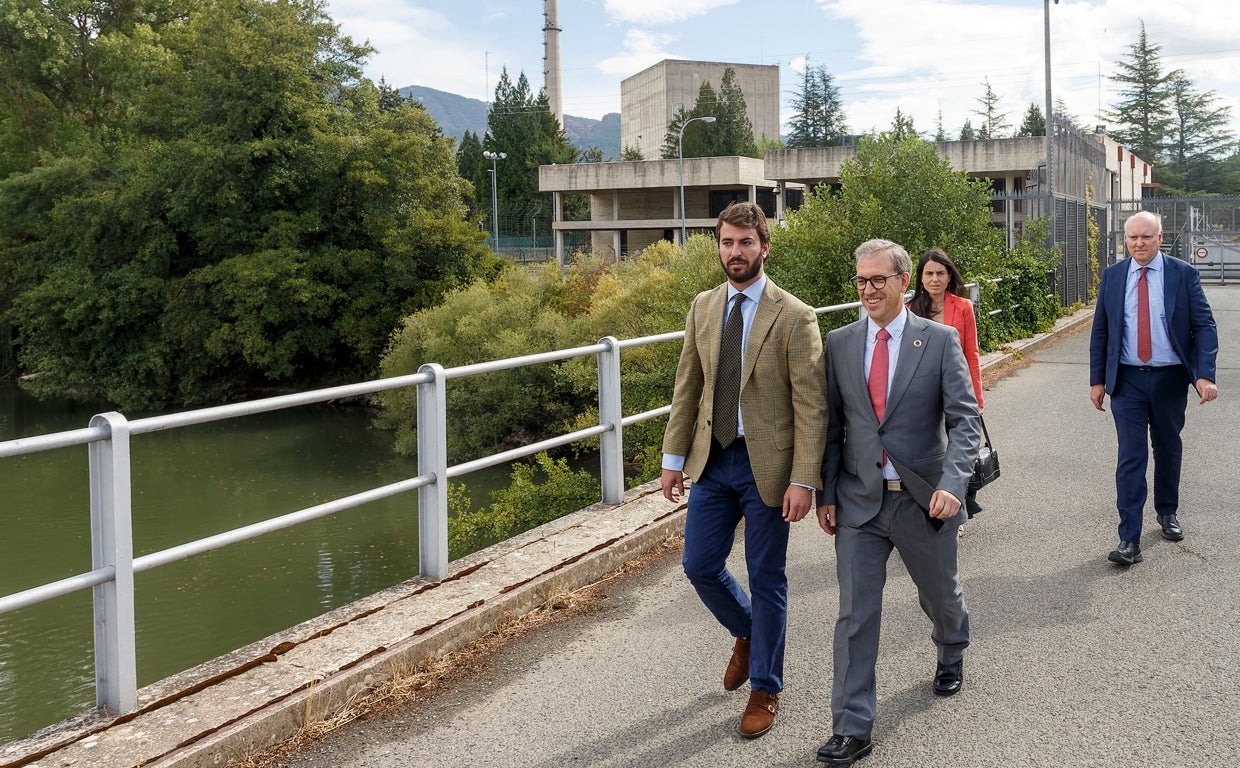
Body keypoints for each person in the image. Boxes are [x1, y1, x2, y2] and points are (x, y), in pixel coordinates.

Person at [661, 201, 828, 739]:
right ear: (719, 245)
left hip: (770, 468)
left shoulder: (795, 315)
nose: (736, 252)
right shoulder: (703, 306)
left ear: (764, 247)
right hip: (712, 461)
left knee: (768, 576)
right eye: (727, 242)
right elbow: (689, 387)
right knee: (699, 565)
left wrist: (804, 478)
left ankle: (765, 687)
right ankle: (751, 633)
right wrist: (672, 459)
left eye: (746, 243)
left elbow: (811, 404)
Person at [815, 239, 980, 765]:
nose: (868, 289)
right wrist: (826, 492)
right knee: (856, 615)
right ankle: (852, 725)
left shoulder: (939, 340)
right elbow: (832, 427)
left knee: (940, 594)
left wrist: (953, 486)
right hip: (859, 502)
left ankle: (951, 646)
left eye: (878, 280)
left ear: (903, 282)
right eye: (861, 280)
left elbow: (965, 420)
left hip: (923, 499)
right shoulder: (839, 343)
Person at [1089, 210, 1218, 566]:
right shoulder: (1113, 276)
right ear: (1125, 239)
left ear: (1160, 237)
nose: (1138, 244)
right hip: (1127, 380)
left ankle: (1167, 510)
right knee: (1131, 456)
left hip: (1169, 378)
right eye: (1132, 237)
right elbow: (1101, 330)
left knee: (1167, 446)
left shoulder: (1182, 274)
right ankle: (1129, 538)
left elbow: (1204, 326)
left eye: (1146, 237)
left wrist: (1204, 374)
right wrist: (1097, 380)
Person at [908, 248, 985, 525]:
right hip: (922, 395)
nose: (935, 279)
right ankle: (926, 508)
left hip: (955, 391)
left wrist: (976, 398)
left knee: (956, 452)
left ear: (949, 275)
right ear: (920, 277)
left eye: (940, 273)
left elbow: (971, 353)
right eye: (929, 273)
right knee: (930, 453)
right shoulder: (910, 310)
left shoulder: (962, 307)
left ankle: (957, 511)